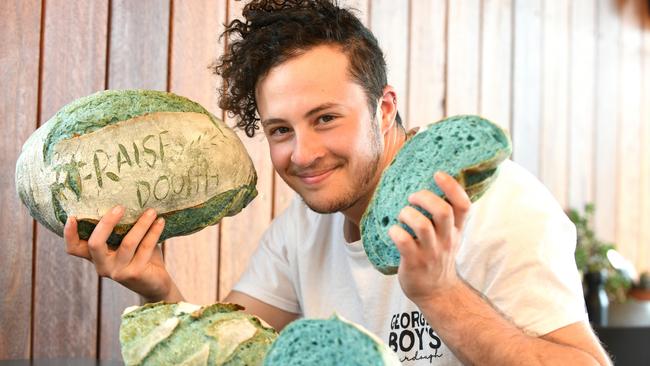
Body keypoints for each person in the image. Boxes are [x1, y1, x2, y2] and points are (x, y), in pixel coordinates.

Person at [64, 1, 611, 364]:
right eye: (281, 130)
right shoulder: (298, 232)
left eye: (325, 117)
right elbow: (231, 353)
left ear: (383, 107)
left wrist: (441, 292)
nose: (303, 154)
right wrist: (157, 290)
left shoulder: (502, 206)